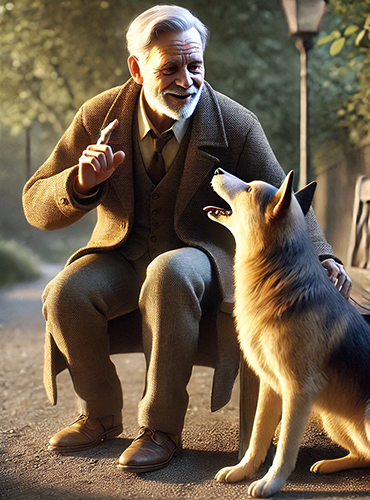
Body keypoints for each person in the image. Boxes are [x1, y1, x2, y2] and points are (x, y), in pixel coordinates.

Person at [22, 4, 352, 473]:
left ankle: (160, 429)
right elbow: (35, 202)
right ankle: (99, 414)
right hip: (121, 253)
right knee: (65, 293)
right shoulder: (98, 115)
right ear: (137, 69)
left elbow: (285, 200)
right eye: (169, 68)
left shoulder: (236, 124)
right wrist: (79, 182)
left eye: (194, 66)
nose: (186, 80)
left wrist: (322, 256)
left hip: (199, 255)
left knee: (169, 271)